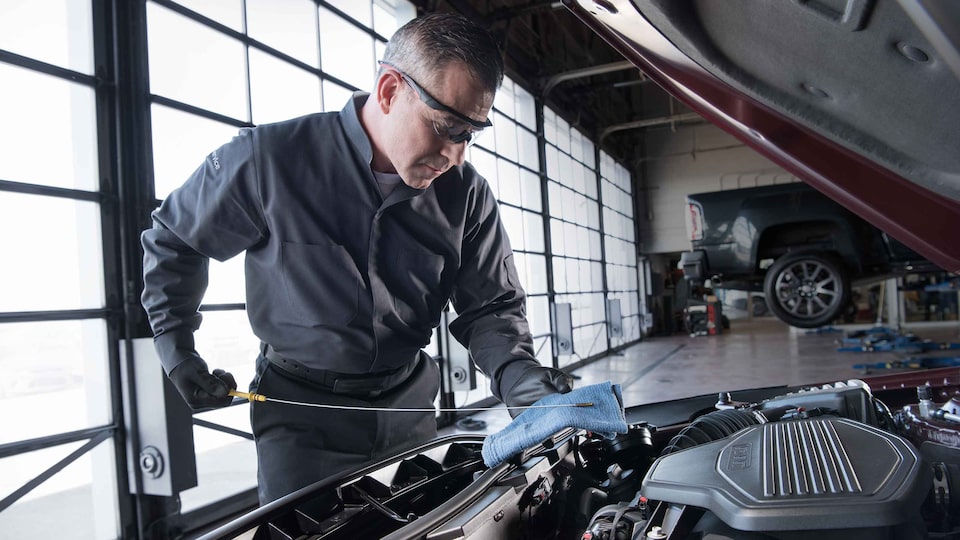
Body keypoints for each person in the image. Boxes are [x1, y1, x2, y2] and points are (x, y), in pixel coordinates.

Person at [140, 13, 573, 505]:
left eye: (470, 134)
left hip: (409, 410)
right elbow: (176, 239)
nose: (456, 156)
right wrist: (177, 350)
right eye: (446, 128)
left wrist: (525, 385)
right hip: (301, 423)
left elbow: (491, 310)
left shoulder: (466, 196)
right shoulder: (269, 161)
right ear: (389, 90)